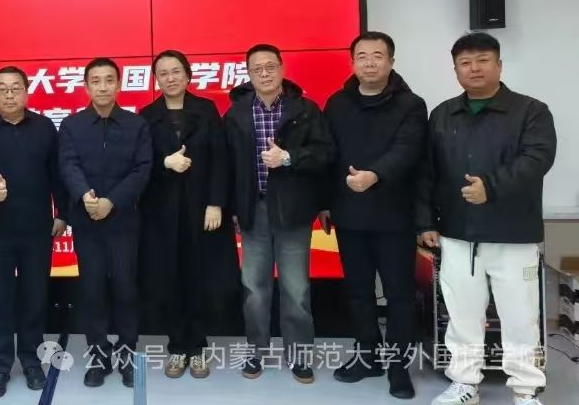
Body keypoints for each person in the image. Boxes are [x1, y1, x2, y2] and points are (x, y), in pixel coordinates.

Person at [418, 33, 556, 405]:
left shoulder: (530, 111)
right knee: (462, 316)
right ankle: (464, 383)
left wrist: (490, 187)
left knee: (520, 317)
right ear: (455, 70)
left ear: (499, 65)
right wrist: (425, 221)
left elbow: (537, 159)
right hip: (458, 232)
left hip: (514, 234)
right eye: (465, 63)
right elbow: (427, 172)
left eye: (482, 60)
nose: (474, 69)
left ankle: (526, 390)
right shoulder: (443, 114)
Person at [323, 32, 427, 399]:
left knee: (399, 295)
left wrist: (376, 175)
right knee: (358, 293)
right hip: (348, 215)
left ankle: (398, 366)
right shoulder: (337, 103)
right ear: (352, 62)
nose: (369, 62)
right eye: (362, 56)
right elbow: (328, 154)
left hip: (394, 217)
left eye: (378, 56)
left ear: (391, 62)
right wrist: (324, 202)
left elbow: (408, 149)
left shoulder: (411, 104)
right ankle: (367, 356)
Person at [225, 43, 335, 384]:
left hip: (294, 210)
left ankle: (300, 355)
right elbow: (228, 165)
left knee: (296, 289)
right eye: (257, 69)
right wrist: (233, 207)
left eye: (270, 66)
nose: (264, 73)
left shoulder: (305, 109)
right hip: (253, 210)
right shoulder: (237, 114)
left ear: (282, 68)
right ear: (248, 74)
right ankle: (256, 352)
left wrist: (289, 158)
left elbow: (325, 154)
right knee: (254, 288)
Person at [139, 50, 240, 381]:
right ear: (156, 79)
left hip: (201, 210)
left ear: (187, 75)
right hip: (161, 214)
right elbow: (139, 165)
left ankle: (197, 348)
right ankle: (176, 347)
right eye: (163, 73)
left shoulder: (207, 110)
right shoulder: (147, 115)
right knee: (169, 279)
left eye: (176, 71)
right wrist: (164, 164)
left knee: (199, 278)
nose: (170, 78)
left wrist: (216, 203)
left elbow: (221, 158)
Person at [0, 66, 68, 398]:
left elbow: (56, 172)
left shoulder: (44, 127)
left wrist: (62, 213)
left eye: (15, 88)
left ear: (26, 93)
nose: (9, 94)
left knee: (33, 298)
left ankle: (31, 361)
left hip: (36, 228)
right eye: (2, 89)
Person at [59, 57, 152, 388]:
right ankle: (98, 356)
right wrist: (85, 196)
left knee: (126, 289)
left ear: (119, 84)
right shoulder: (72, 125)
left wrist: (111, 202)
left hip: (123, 221)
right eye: (95, 81)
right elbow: (68, 165)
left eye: (109, 80)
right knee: (92, 290)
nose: (102, 87)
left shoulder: (136, 125)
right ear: (86, 86)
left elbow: (142, 168)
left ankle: (127, 354)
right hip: (87, 221)